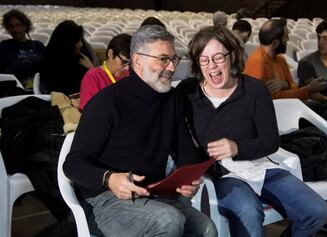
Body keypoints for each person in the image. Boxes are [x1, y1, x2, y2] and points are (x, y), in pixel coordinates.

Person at [63, 25, 217, 237]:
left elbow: (185, 149)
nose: (171, 68)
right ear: (137, 60)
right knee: (169, 221)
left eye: (174, 59)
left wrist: (188, 178)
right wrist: (109, 179)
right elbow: (73, 164)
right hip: (103, 198)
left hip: (152, 193)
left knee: (206, 229)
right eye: (163, 59)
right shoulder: (107, 102)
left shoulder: (172, 100)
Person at [176, 26, 327, 237]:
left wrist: (237, 147)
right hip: (223, 175)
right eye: (204, 59)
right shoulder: (188, 92)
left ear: (232, 56)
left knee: (317, 211)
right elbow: (174, 131)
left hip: (261, 167)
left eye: (219, 57)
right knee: (249, 213)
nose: (212, 66)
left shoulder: (254, 90)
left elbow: (270, 141)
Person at [244, 19, 327, 100]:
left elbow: (294, 85)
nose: (288, 39)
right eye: (286, 37)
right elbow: (272, 99)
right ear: (276, 43)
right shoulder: (258, 62)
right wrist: (308, 90)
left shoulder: (280, 58)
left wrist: (285, 84)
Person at [40, 20, 94, 95]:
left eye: (81, 40)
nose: (81, 44)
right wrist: (92, 70)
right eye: (77, 41)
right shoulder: (53, 65)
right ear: (67, 43)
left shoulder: (80, 58)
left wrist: (91, 69)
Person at [79, 33, 131, 110]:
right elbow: (90, 113)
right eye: (123, 62)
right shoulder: (92, 77)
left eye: (130, 63)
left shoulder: (130, 74)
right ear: (110, 53)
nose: (127, 68)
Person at [0, 9, 44, 86]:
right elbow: (15, 68)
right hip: (16, 89)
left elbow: (47, 66)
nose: (14, 29)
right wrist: (36, 63)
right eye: (11, 26)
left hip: (39, 86)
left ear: (25, 26)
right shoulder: (4, 46)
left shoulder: (38, 45)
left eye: (18, 25)